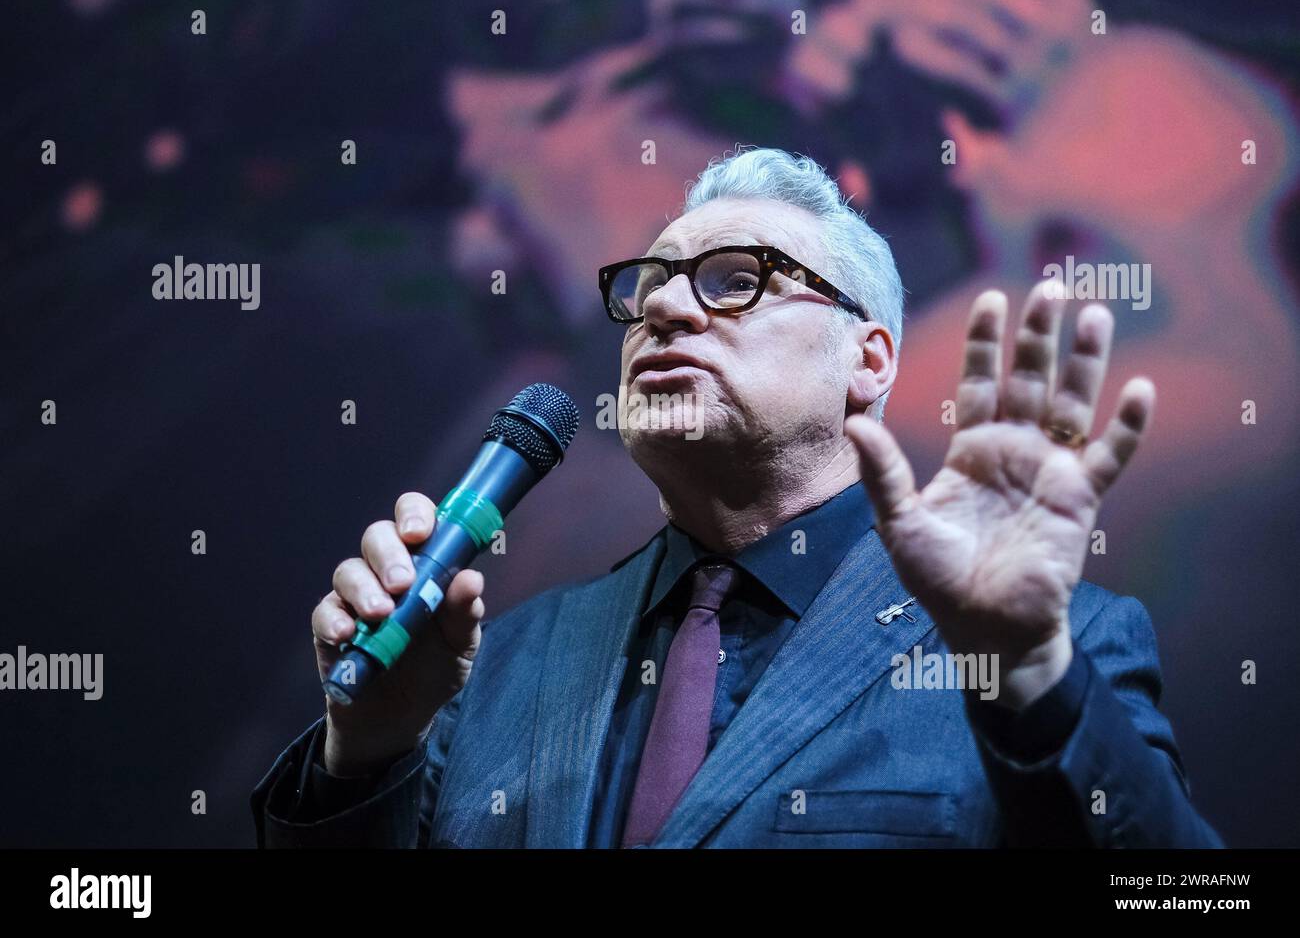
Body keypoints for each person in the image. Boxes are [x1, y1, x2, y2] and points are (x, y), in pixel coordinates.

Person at [252, 147, 1221, 847]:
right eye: (649, 287)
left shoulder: (1048, 645)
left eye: (733, 280)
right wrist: (368, 753)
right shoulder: (485, 668)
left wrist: (1027, 673)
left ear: (866, 357)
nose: (664, 308)